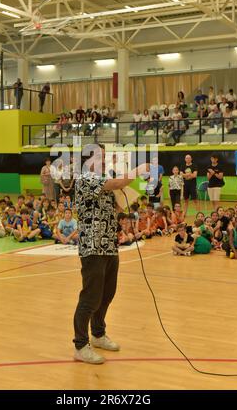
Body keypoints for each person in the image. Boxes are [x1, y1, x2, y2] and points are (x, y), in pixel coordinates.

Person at [73, 145, 149, 364]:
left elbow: (118, 206)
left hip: (109, 245)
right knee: (90, 298)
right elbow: (117, 183)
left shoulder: (102, 181)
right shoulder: (85, 178)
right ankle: (80, 345)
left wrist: (127, 195)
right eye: (101, 157)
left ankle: (97, 334)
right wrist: (138, 170)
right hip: (93, 247)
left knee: (107, 294)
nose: (106, 161)